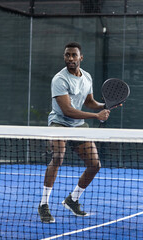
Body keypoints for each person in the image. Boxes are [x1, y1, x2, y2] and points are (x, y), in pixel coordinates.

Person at [38, 42, 115, 223]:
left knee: (95, 164)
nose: (70, 58)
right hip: (59, 123)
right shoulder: (59, 79)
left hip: (78, 125)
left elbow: (88, 101)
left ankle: (72, 199)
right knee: (58, 157)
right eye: (67, 55)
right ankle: (43, 205)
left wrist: (104, 106)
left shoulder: (86, 77)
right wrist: (97, 116)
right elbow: (67, 110)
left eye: (74, 55)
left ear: (81, 57)